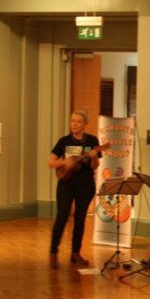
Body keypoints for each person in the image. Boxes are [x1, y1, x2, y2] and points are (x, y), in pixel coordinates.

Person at [48, 111, 103, 269]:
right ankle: (53, 252)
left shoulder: (92, 140)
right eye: (72, 121)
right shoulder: (64, 141)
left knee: (80, 218)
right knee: (63, 215)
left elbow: (95, 166)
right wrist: (64, 163)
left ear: (84, 123)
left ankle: (75, 253)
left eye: (78, 121)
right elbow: (51, 162)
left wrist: (93, 156)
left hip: (85, 184)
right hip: (66, 183)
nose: (75, 124)